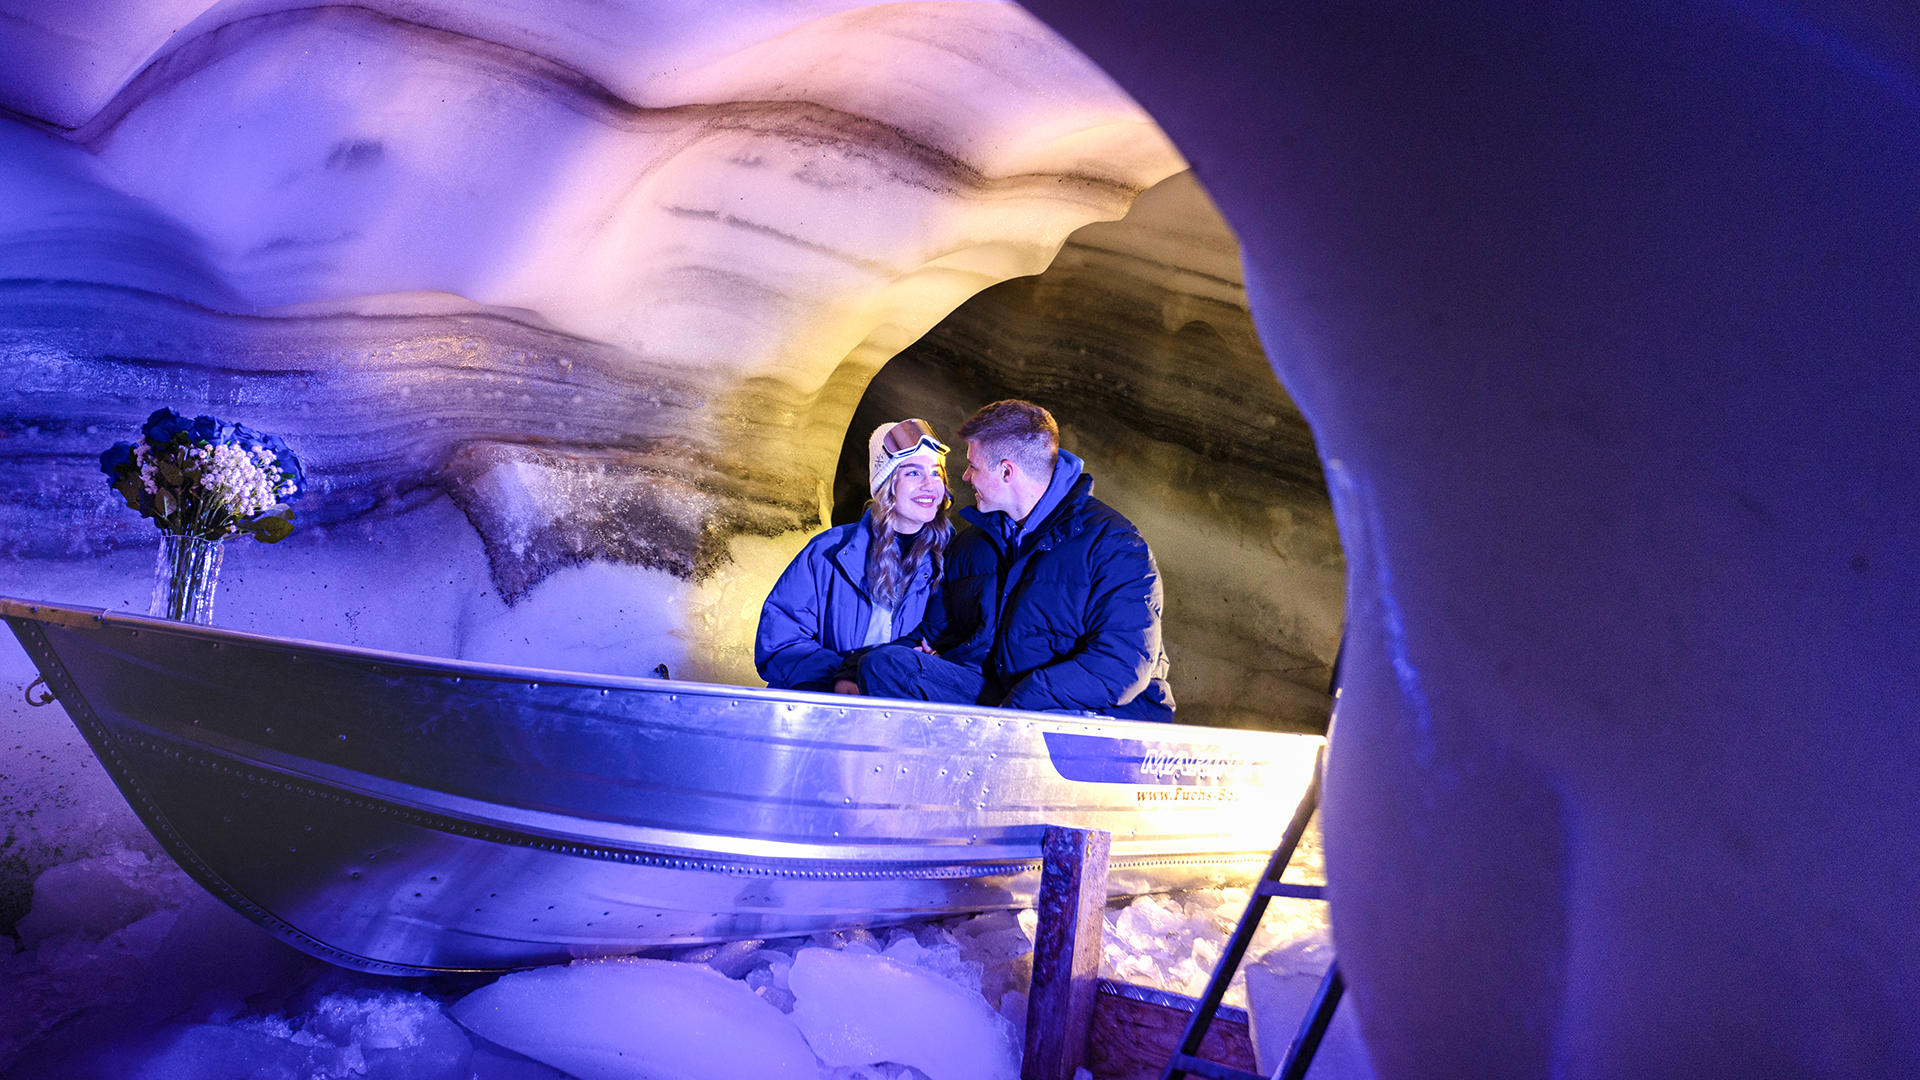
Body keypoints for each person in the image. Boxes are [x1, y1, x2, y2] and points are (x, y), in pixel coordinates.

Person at [859, 400, 1175, 721]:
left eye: (974, 466)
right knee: (887, 667)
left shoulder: (1115, 546)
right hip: (1005, 701)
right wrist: (851, 670)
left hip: (1097, 714)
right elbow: (936, 632)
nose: (966, 477)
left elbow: (1121, 667)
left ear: (1007, 471)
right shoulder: (972, 545)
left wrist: (1016, 708)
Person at [755, 419, 953, 693]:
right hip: (828, 708)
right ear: (886, 485)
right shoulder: (829, 551)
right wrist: (842, 679)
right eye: (913, 473)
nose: (930, 485)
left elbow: (967, 646)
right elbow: (781, 640)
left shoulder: (954, 557)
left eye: (935, 473)